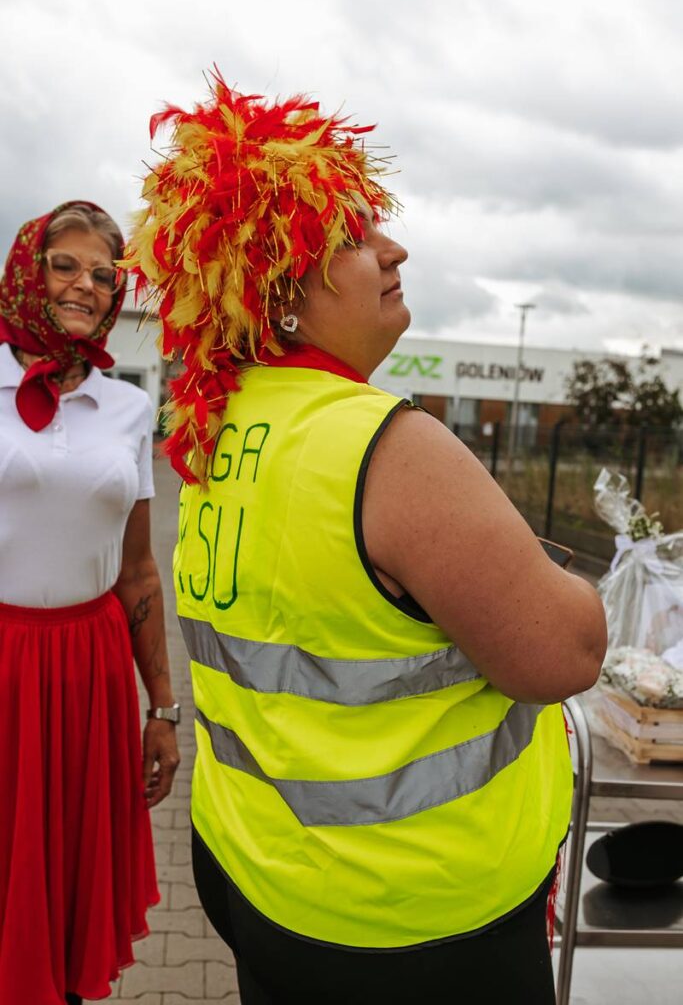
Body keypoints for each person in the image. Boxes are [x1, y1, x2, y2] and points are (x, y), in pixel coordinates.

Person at [126, 73, 607, 1005]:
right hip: (408, 916)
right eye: (349, 236)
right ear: (279, 291)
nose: (395, 248)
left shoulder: (215, 432)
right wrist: (556, 582)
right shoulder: (385, 443)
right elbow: (565, 653)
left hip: (258, 873)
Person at [0, 201, 181, 1004]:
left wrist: (163, 709)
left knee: (68, 879)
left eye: (105, 276)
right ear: (26, 272)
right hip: (3, 662)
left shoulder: (128, 408)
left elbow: (139, 571)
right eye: (66, 265)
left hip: (90, 670)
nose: (87, 286)